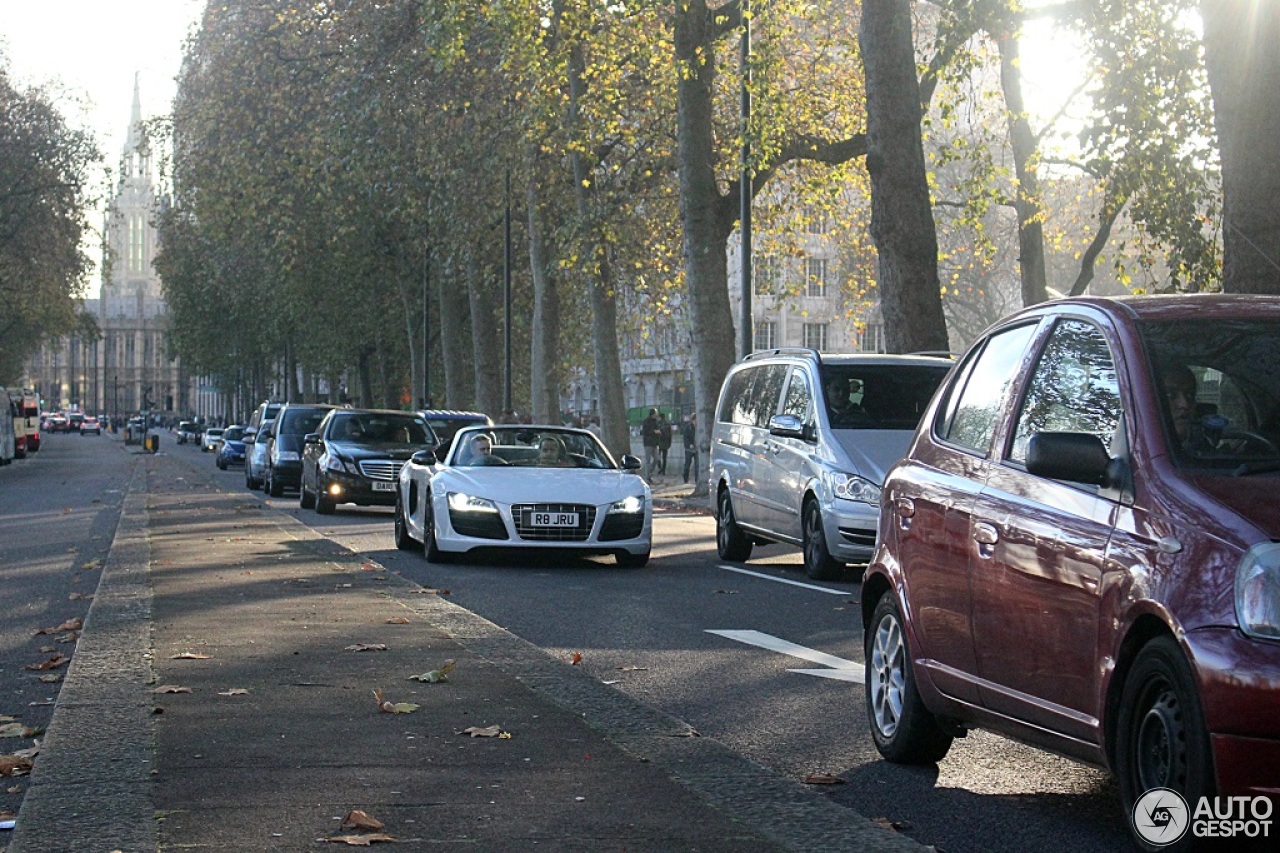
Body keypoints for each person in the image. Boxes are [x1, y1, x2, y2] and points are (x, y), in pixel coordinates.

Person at [641, 408, 661, 479]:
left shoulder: (656, 421)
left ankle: (650, 473)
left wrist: (658, 432)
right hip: (648, 443)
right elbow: (645, 431)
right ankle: (647, 477)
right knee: (648, 460)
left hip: (655, 443)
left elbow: (658, 429)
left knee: (657, 459)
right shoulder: (646, 421)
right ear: (653, 414)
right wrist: (654, 432)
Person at [681, 413, 699, 485]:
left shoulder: (699, 428)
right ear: (692, 420)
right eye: (695, 420)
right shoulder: (688, 427)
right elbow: (685, 438)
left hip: (697, 448)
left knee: (697, 465)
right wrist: (689, 445)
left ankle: (697, 480)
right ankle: (685, 478)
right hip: (689, 449)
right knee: (687, 464)